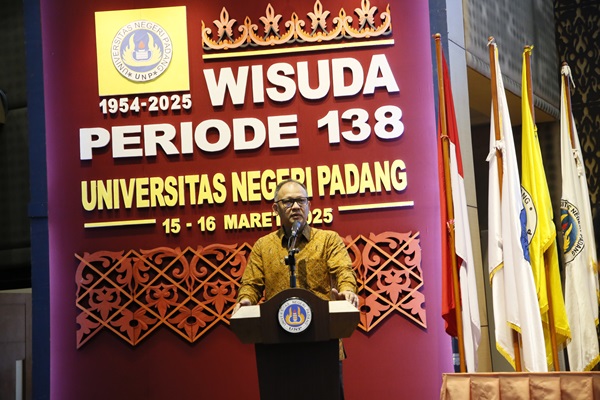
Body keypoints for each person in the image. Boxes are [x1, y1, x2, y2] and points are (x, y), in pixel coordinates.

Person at [233, 178, 359, 312]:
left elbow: (343, 270)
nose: (296, 207)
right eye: (288, 202)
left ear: (308, 206)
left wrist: (347, 290)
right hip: (278, 320)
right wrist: (246, 299)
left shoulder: (328, 240)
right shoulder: (263, 245)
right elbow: (251, 284)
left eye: (301, 201)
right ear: (276, 209)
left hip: (320, 318)